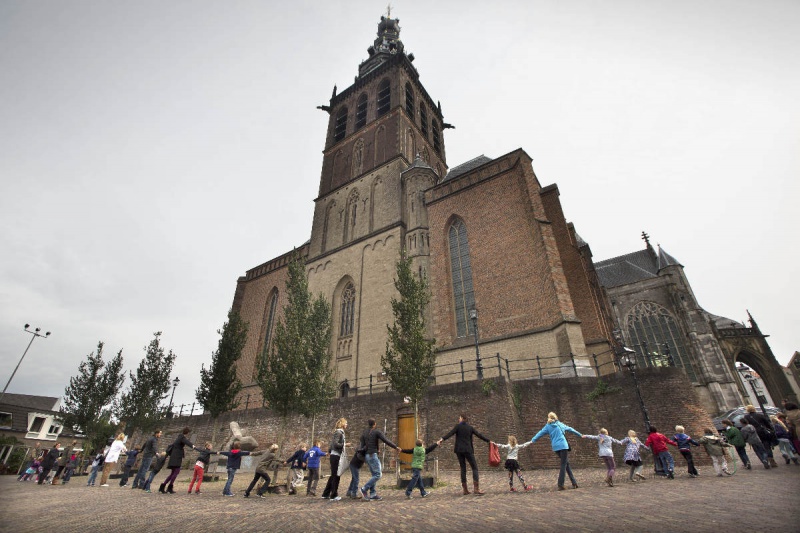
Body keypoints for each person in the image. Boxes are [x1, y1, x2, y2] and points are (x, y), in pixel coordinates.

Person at [530, 412, 582, 490]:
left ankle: (574, 482)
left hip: (556, 447)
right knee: (564, 464)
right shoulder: (560, 424)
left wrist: (533, 440)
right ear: (556, 417)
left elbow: (540, 433)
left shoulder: (547, 426)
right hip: (563, 446)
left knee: (566, 464)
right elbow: (570, 429)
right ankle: (560, 484)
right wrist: (580, 435)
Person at [440, 414, 490, 495]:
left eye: (459, 418)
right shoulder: (470, 428)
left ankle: (465, 490)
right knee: (474, 468)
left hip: (459, 450)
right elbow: (479, 435)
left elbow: (450, 433)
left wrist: (442, 439)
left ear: (463, 419)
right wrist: (488, 441)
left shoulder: (457, 427)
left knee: (463, 468)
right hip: (468, 449)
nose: (458, 419)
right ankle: (476, 489)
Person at [359, 418, 400, 501]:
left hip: (367, 455)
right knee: (378, 474)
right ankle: (364, 488)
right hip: (372, 455)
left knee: (374, 475)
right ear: (374, 424)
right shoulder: (376, 432)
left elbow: (362, 445)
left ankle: (373, 494)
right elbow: (386, 440)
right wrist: (395, 447)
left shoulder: (364, 433)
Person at [160, 427, 197, 494]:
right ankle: (169, 487)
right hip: (176, 457)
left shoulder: (179, 437)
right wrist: (193, 446)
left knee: (173, 473)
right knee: (176, 471)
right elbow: (187, 442)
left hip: (175, 456)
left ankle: (164, 486)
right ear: (188, 433)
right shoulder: (182, 437)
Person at [321, 418, 347, 501]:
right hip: (336, 456)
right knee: (336, 475)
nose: (347, 425)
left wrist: (329, 451)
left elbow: (332, 443)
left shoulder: (339, 432)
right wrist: (345, 444)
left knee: (333, 475)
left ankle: (326, 493)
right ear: (342, 424)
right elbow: (335, 444)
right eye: (346, 423)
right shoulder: (339, 432)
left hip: (334, 455)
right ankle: (333, 495)